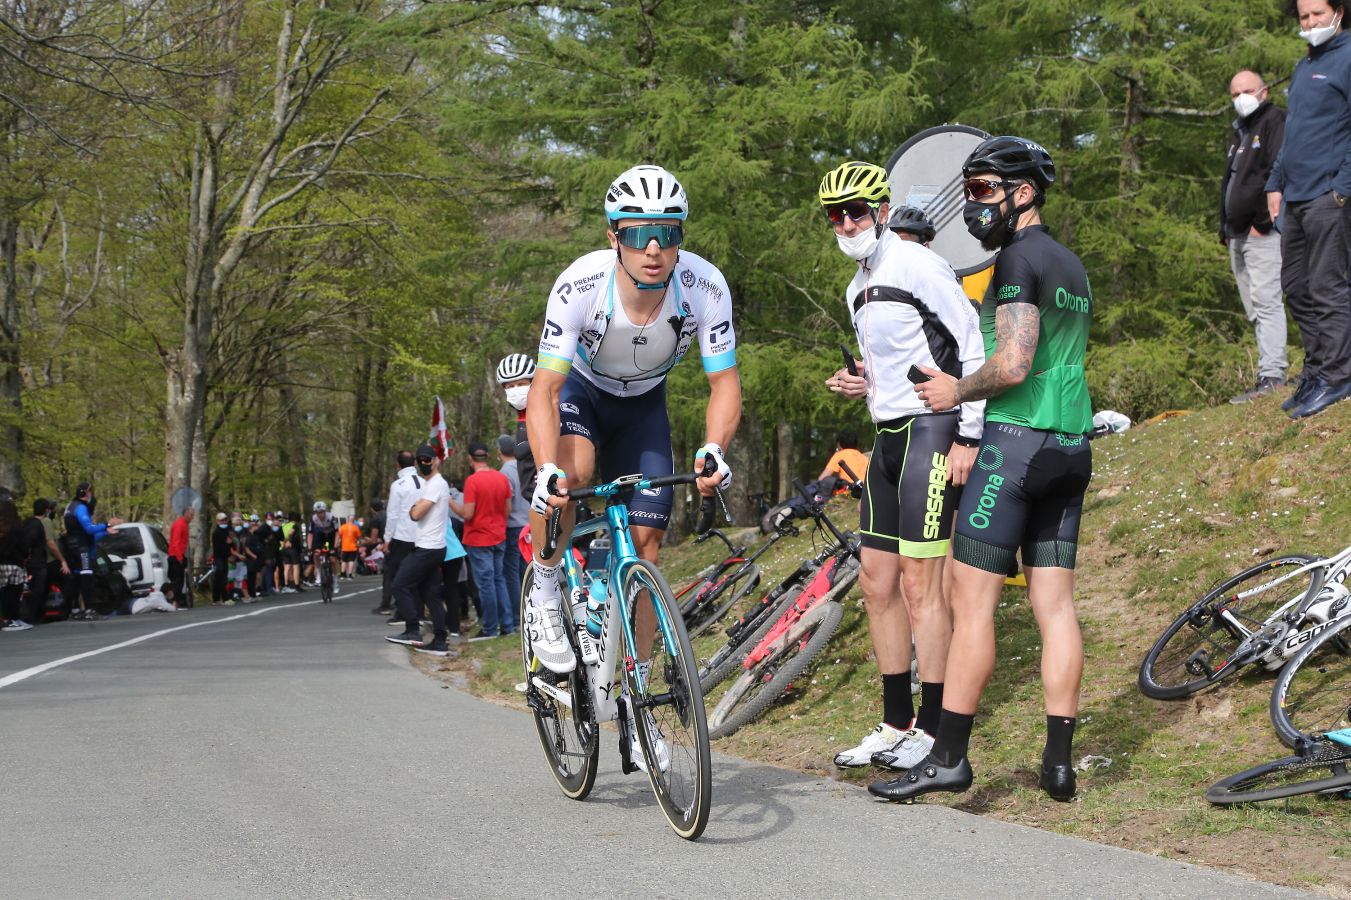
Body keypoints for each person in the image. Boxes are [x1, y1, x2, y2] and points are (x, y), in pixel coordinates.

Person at [880, 135, 1093, 803]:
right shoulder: (1070, 264)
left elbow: (1013, 364)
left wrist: (954, 391)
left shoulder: (1015, 262)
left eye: (979, 192)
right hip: (1071, 447)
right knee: (1054, 607)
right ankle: (1057, 764)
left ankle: (948, 757)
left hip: (1016, 446)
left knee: (973, 608)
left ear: (1021, 193)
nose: (971, 206)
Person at [527, 163, 739, 770]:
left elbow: (724, 382)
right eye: (640, 231)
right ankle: (546, 582)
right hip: (582, 396)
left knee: (645, 547)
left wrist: (714, 448)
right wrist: (546, 469)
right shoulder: (579, 285)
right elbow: (543, 391)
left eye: (668, 233)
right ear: (614, 233)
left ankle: (637, 707)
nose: (654, 248)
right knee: (575, 473)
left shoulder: (704, 285)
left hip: (645, 405)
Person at [819, 160, 986, 774]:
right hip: (887, 435)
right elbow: (890, 363)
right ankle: (896, 721)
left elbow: (970, 343)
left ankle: (935, 728)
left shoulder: (918, 263)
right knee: (876, 585)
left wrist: (969, 432)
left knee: (923, 588)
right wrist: (858, 382)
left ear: (882, 211)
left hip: (934, 431)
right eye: (835, 216)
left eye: (856, 211)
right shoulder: (854, 285)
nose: (846, 224)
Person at [1267, 0, 1351, 418]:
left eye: (1317, 13)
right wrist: (1274, 182)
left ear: (1339, 12)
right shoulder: (1304, 67)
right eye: (1303, 16)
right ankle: (1317, 371)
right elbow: (1294, 132)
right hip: (1295, 197)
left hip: (1327, 196)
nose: (1310, 22)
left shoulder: (1348, 57)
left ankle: (1338, 375)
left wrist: (1342, 189)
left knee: (1326, 286)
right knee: (1297, 286)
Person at [1221, 69, 1289, 404]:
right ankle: (1267, 371)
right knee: (1253, 307)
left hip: (1261, 232)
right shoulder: (1240, 132)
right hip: (1237, 235)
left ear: (1263, 91)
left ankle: (1273, 374)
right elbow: (1232, 181)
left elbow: (1278, 169)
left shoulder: (1274, 120)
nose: (1241, 98)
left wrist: (1262, 221)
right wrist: (1225, 226)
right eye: (1235, 93)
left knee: (1267, 301)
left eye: (1247, 90)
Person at [386, 444, 453, 656]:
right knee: (430, 594)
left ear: (436, 461)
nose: (423, 463)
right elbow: (416, 510)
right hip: (430, 545)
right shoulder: (428, 483)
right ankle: (440, 640)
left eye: (427, 459)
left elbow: (416, 513)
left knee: (399, 585)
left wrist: (415, 508)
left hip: (428, 547)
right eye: (420, 460)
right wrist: (416, 507)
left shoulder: (436, 484)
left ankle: (412, 630)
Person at [451, 442, 515, 639]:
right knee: (499, 580)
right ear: (487, 456)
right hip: (499, 535)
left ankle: (489, 628)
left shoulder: (472, 481)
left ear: (470, 459)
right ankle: (507, 625)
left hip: (479, 538)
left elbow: (467, 513)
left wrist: (450, 502)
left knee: (486, 584)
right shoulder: (501, 478)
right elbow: (508, 509)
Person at [62, 481, 123, 620]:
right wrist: (107, 524)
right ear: (85, 492)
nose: (91, 494)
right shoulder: (81, 508)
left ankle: (76, 610)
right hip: (81, 547)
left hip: (72, 546)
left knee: (77, 578)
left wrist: (105, 531)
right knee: (87, 577)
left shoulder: (69, 506)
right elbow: (89, 529)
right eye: (90, 491)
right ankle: (88, 610)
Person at [375, 450, 417, 616]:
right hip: (422, 536)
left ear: (398, 465)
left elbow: (392, 514)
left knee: (395, 574)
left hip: (402, 536)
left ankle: (401, 611)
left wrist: (387, 539)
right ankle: (417, 611)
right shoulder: (424, 482)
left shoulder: (398, 485)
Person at [497, 434, 530, 616]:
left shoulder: (504, 473)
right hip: (529, 525)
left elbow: (507, 504)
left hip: (513, 527)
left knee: (512, 572)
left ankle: (518, 615)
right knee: (528, 570)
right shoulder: (523, 466)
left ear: (499, 451)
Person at [21, 499, 67, 620]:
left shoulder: (27, 522)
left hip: (29, 562)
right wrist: (62, 560)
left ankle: (34, 615)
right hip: (40, 561)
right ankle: (34, 616)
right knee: (39, 589)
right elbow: (50, 543)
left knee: (36, 588)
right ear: (46, 510)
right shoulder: (42, 523)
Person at [0, 499, 31, 631]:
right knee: (13, 592)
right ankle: (11, 619)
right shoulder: (16, 526)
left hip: (1, 563)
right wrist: (25, 556)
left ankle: (5, 619)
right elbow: (23, 546)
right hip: (14, 563)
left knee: (3, 592)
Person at [307, 501, 339, 594]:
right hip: (320, 536)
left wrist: (335, 547)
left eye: (321, 512)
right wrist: (309, 548)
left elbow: (337, 533)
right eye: (317, 512)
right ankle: (319, 574)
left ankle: (335, 582)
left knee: (332, 559)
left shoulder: (331, 518)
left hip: (331, 537)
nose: (320, 514)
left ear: (325, 511)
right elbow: (310, 534)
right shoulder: (313, 519)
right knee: (316, 553)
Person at [167, 505, 194, 606]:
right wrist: (180, 558)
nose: (192, 517)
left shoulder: (184, 524)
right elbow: (176, 542)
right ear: (186, 513)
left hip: (178, 555)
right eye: (191, 515)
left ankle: (175, 602)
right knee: (178, 581)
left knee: (178, 580)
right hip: (176, 556)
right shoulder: (180, 524)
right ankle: (174, 602)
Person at [210, 512, 235, 605]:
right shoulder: (217, 532)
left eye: (224, 520)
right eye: (221, 520)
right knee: (221, 578)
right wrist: (229, 541)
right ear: (217, 521)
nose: (223, 522)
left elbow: (232, 542)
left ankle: (217, 599)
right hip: (219, 557)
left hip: (225, 557)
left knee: (222, 578)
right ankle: (224, 598)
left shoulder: (228, 529)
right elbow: (226, 542)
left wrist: (231, 541)